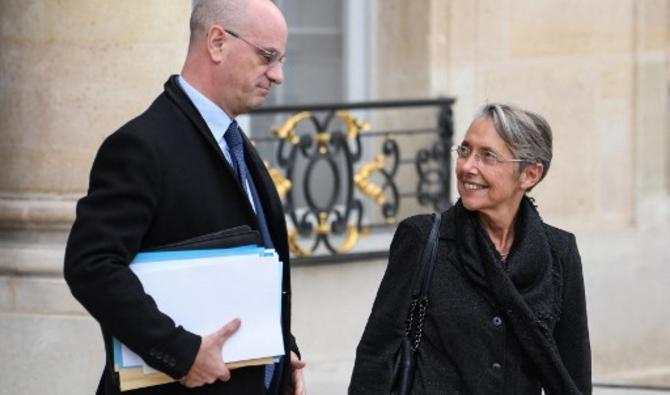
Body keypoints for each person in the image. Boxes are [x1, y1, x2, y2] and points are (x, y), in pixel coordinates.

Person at [64, 1, 305, 394]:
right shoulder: (140, 146)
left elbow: (252, 266)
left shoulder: (236, 144)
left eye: (280, 60)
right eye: (267, 57)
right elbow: (91, 266)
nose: (277, 75)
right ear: (216, 42)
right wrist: (181, 353)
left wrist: (281, 352)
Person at [350, 103, 591, 394]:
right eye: (464, 151)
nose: (467, 167)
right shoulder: (423, 238)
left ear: (529, 175)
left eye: (487, 156)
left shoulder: (559, 253)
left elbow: (572, 370)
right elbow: (376, 353)